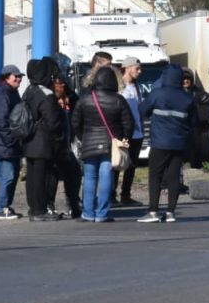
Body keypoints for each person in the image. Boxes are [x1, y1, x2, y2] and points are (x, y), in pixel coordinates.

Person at [72, 66, 134, 222]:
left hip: (89, 143)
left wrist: (83, 137)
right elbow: (128, 123)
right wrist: (125, 139)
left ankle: (87, 212)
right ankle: (102, 213)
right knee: (106, 177)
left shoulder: (85, 99)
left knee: (89, 177)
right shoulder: (119, 100)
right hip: (111, 145)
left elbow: (75, 122)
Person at [137, 64, 197, 223]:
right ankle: (170, 212)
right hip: (179, 143)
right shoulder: (187, 98)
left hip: (159, 142)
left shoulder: (157, 94)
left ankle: (153, 212)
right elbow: (194, 122)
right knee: (174, 176)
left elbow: (142, 110)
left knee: (155, 175)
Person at [22, 58, 65, 222]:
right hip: (43, 141)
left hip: (29, 139)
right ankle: (40, 209)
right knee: (41, 176)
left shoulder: (29, 91)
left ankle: (33, 208)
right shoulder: (46, 94)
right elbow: (52, 121)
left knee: (32, 176)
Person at [0, 64, 25, 220]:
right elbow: (0, 120)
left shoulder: (11, 93)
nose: (18, 78)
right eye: (15, 76)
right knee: (8, 175)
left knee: (13, 175)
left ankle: (6, 206)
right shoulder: (3, 95)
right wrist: (10, 139)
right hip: (6, 143)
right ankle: (1, 208)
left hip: (11, 143)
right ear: (6, 77)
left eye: (20, 76)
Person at [48, 72, 82, 218]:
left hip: (68, 143)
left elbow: (77, 101)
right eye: (58, 84)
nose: (61, 86)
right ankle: (49, 204)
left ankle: (73, 203)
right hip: (55, 143)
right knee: (53, 175)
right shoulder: (50, 100)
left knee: (74, 173)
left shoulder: (71, 99)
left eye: (63, 84)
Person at [111, 57, 144, 206]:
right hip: (124, 132)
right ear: (129, 68)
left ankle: (126, 195)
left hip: (137, 133)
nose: (139, 71)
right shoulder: (119, 86)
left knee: (131, 166)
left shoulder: (137, 87)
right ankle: (111, 195)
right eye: (137, 68)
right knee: (118, 164)